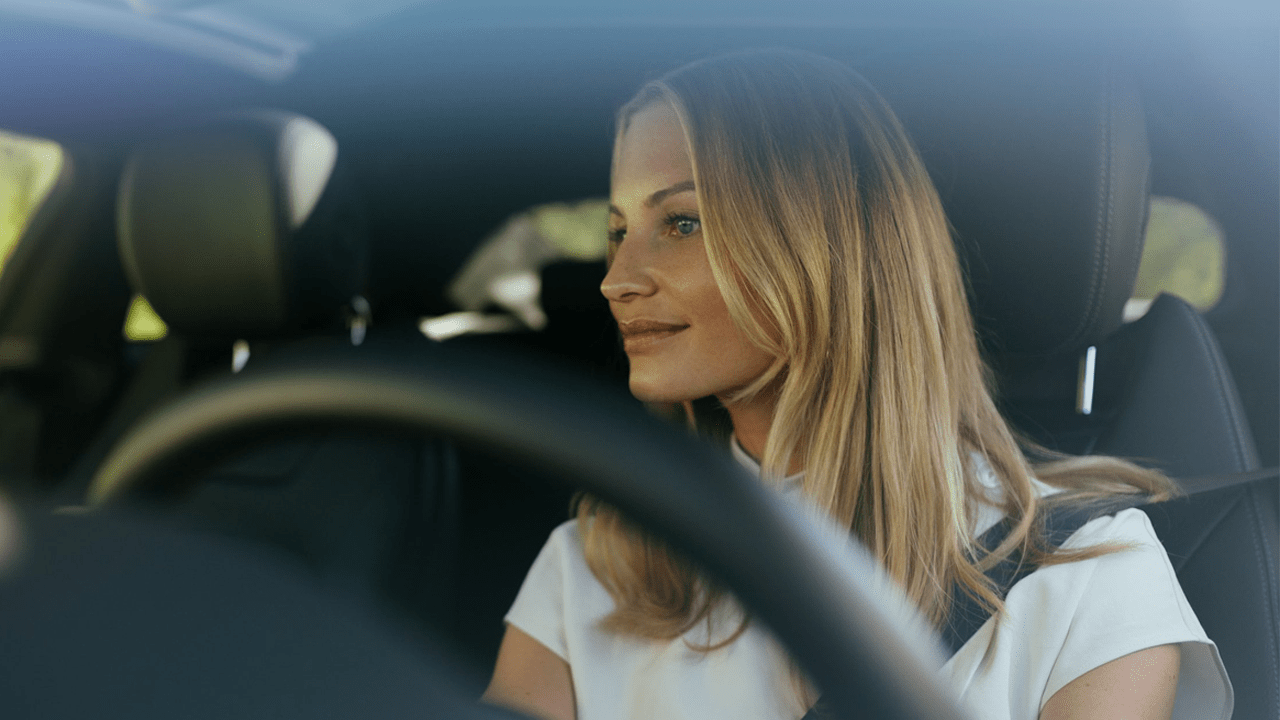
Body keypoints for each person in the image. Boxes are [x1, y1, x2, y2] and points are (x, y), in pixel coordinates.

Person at [482, 49, 1231, 720]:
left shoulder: (1089, 575)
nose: (616, 279)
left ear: (826, 250)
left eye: (680, 223)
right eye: (618, 231)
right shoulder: (595, 565)